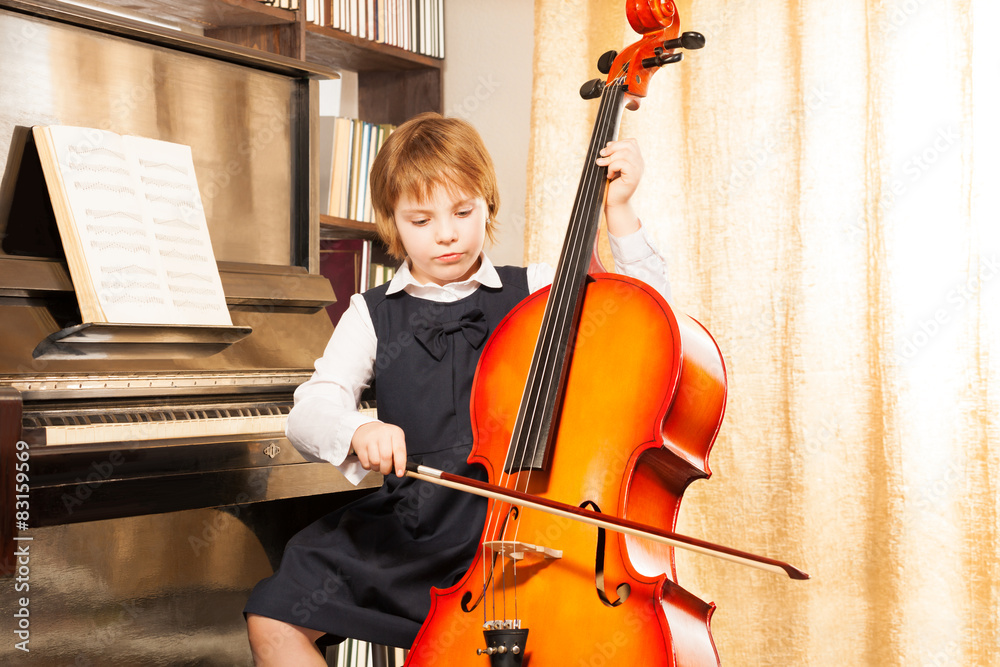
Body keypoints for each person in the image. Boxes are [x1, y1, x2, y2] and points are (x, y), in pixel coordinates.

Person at [243, 112, 671, 666]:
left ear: (488, 204)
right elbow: (311, 409)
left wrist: (619, 211)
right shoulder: (371, 313)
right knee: (275, 613)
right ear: (392, 224)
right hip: (414, 528)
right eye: (421, 220)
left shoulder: (537, 288)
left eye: (463, 211)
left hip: (529, 526)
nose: (446, 233)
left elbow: (649, 324)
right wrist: (358, 428)